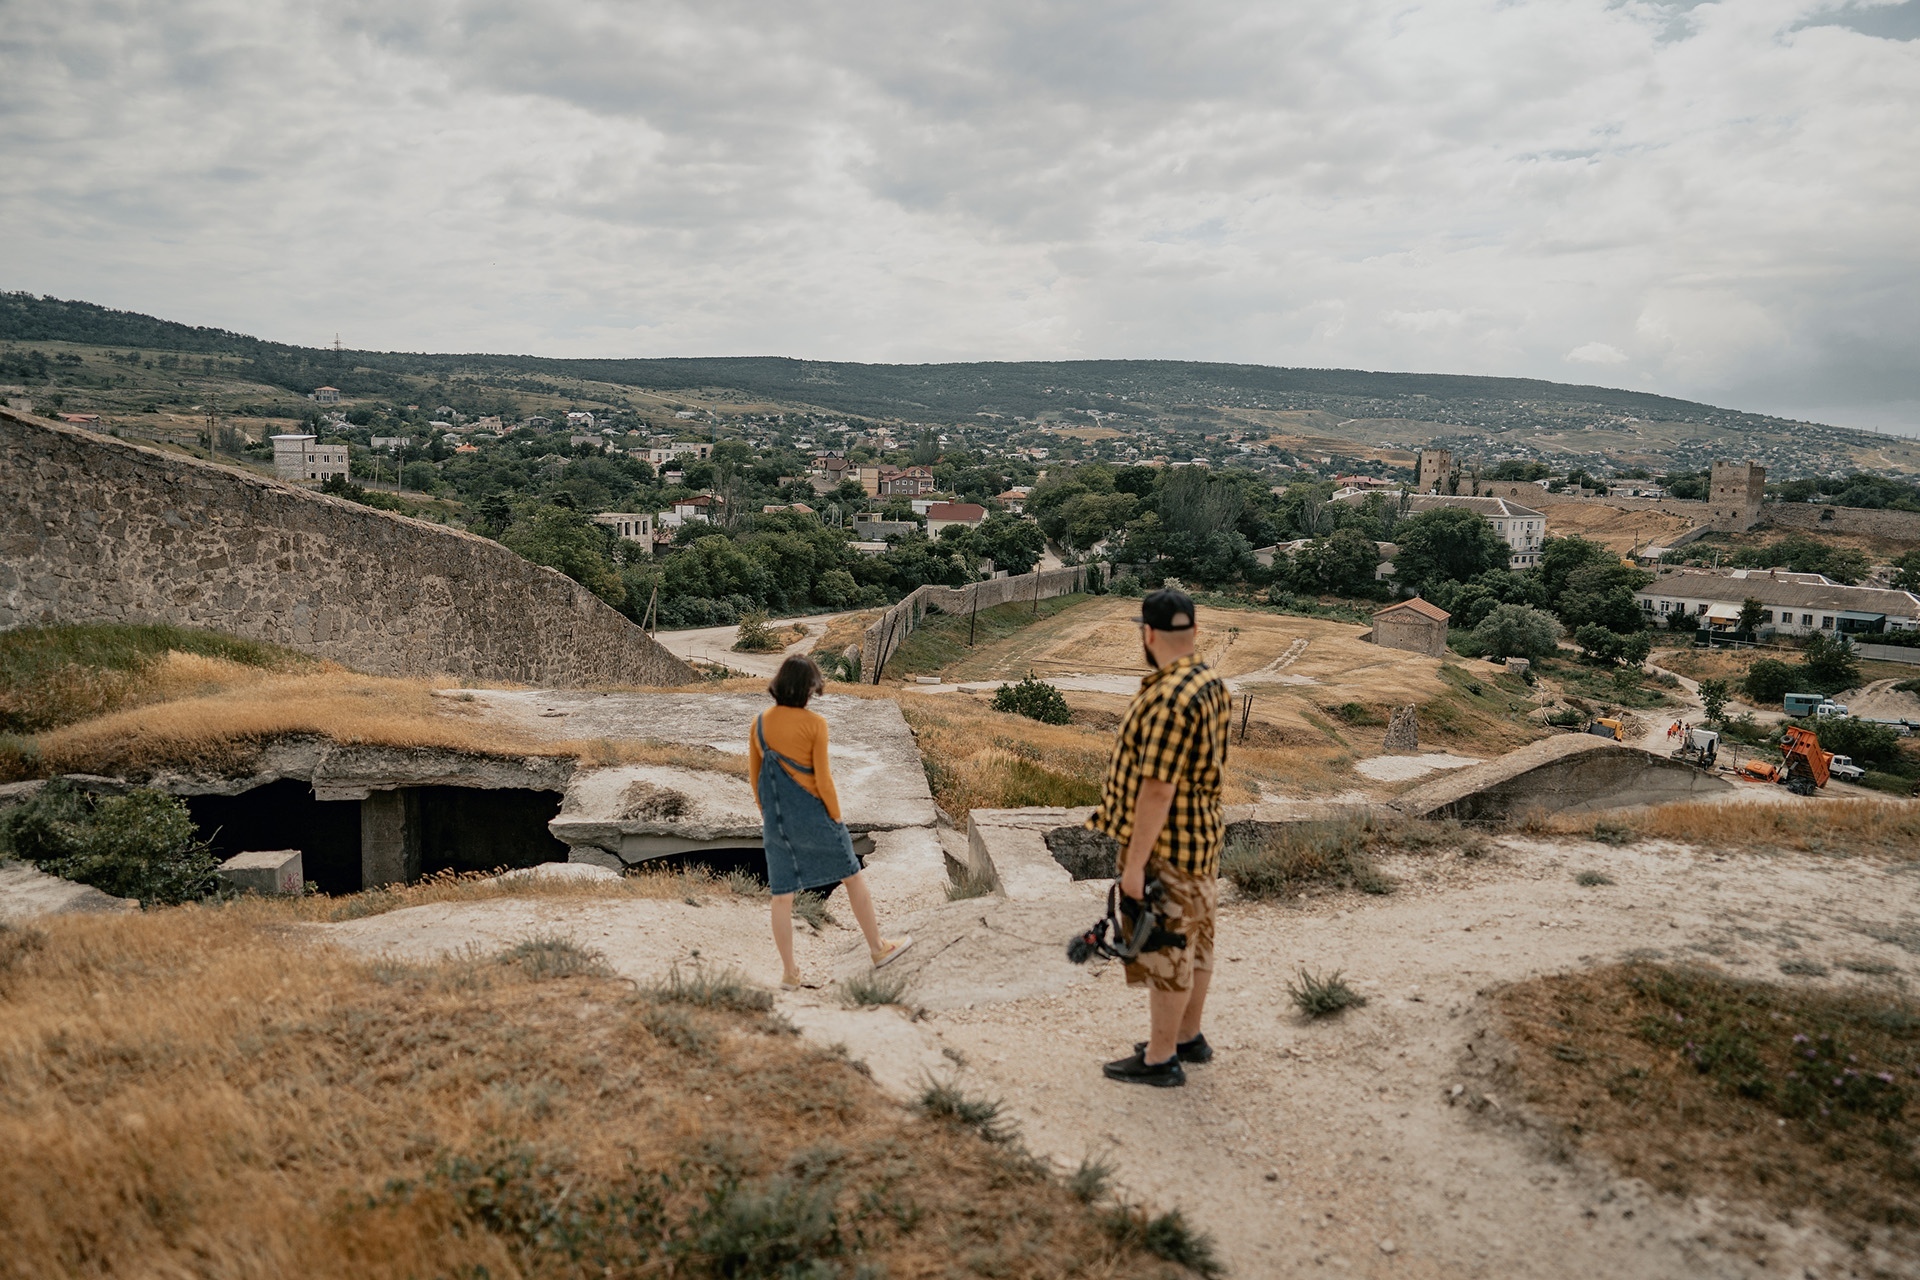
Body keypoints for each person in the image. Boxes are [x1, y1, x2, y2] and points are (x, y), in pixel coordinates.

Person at [1084, 587, 1232, 1087]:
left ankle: (1161, 1059)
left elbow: (1157, 788)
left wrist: (1133, 866)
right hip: (1203, 837)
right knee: (1197, 941)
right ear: (1191, 632)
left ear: (1148, 635)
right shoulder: (1208, 680)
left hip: (1167, 846)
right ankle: (1189, 1036)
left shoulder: (1167, 698)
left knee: (1167, 947)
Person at [750, 653, 912, 990]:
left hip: (777, 820)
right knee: (853, 878)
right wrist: (836, 819)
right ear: (806, 690)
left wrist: (770, 818)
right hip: (816, 815)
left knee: (781, 896)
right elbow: (823, 781)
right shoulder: (815, 725)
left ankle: (790, 973)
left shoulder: (760, 723)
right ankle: (878, 948)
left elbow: (755, 779)